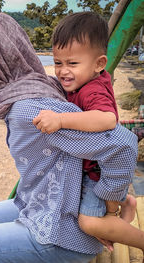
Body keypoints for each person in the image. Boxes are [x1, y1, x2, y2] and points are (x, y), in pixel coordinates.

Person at [0, 12, 138, 263]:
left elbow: (123, 144)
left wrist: (111, 202)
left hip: (61, 232)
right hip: (38, 205)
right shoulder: (31, 90)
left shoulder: (30, 109)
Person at [33, 12, 144, 252]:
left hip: (101, 173)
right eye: (58, 62)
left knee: (89, 222)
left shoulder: (91, 91)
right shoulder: (83, 82)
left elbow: (107, 119)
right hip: (101, 167)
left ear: (99, 64)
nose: (63, 71)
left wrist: (61, 120)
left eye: (72, 63)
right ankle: (127, 202)